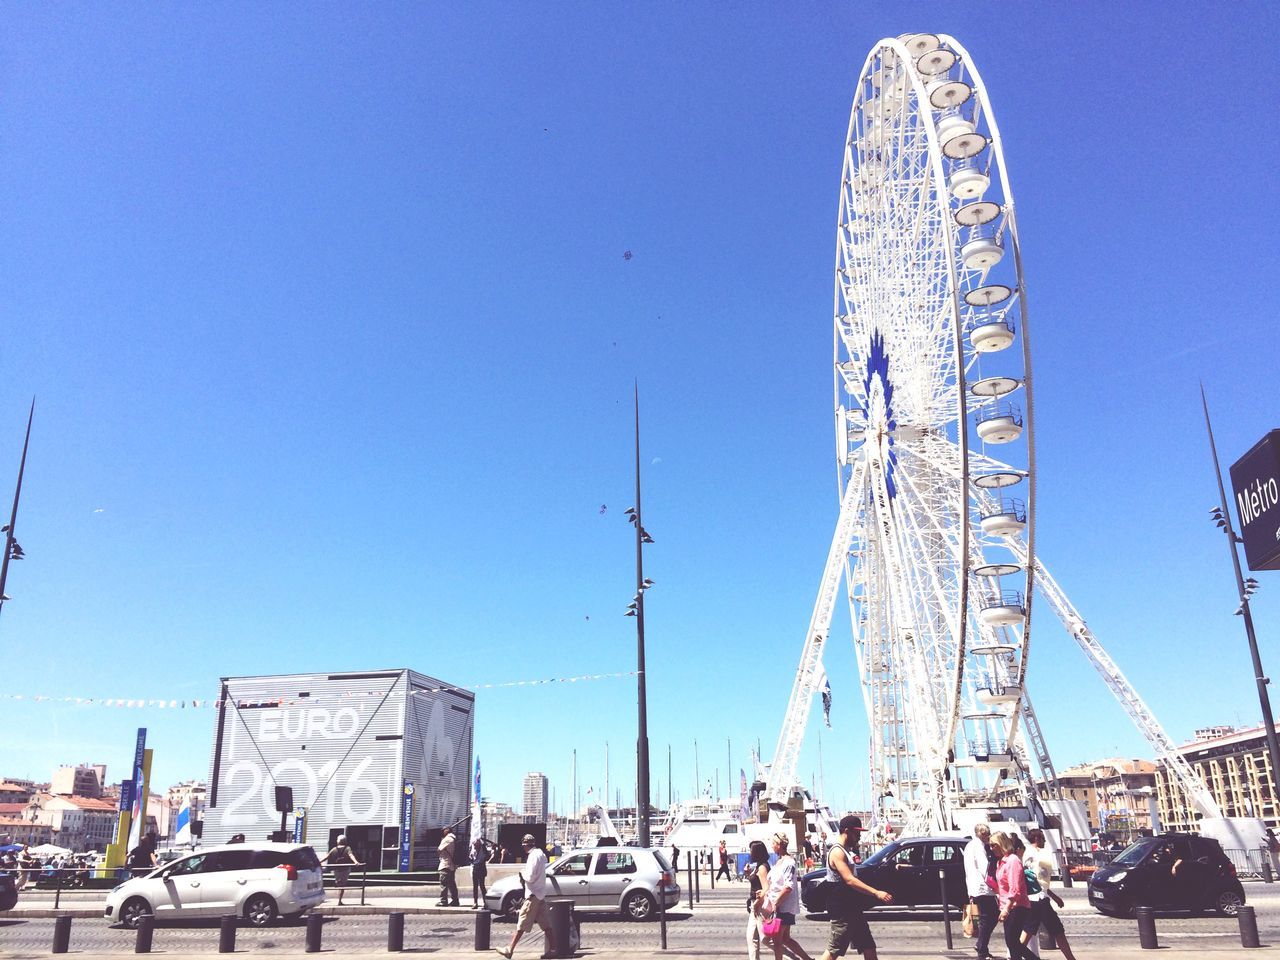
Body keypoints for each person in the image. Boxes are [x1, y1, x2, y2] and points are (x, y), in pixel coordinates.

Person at [819, 815, 892, 960]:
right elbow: (849, 880)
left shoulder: (846, 850)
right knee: (834, 950)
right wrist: (876, 892)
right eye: (856, 833)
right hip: (842, 910)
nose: (859, 836)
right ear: (847, 831)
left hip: (852, 907)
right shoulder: (837, 852)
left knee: (868, 945)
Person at [496, 834, 554, 959]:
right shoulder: (541, 855)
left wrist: (523, 874)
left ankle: (510, 949)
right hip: (540, 895)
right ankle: (554, 948)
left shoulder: (533, 857)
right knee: (546, 924)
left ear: (525, 845)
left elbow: (531, 877)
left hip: (533, 895)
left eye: (523, 846)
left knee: (522, 923)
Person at [1022, 828, 1076, 960]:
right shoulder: (1033, 854)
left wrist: (1054, 896)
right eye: (1042, 838)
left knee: (1030, 931)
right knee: (1056, 930)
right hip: (1037, 899)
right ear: (1036, 839)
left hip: (1039, 898)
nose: (1045, 841)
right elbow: (1035, 879)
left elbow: (1041, 881)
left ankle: (1013, 954)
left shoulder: (1032, 853)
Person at [758, 831, 813, 960]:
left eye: (773, 843)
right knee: (785, 939)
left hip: (783, 906)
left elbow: (788, 887)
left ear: (779, 845)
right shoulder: (780, 861)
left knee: (778, 941)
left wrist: (776, 902)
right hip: (779, 905)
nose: (771, 846)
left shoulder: (789, 862)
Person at [991, 832, 1035, 960]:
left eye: (994, 845)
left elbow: (1015, 889)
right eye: (991, 845)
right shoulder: (1000, 862)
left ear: (1002, 843)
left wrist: (1006, 908)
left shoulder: (1013, 861)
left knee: (1012, 941)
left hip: (1016, 906)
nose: (992, 848)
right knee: (1011, 942)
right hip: (1007, 905)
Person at [964, 822, 997, 960]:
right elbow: (984, 868)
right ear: (980, 834)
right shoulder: (978, 847)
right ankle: (982, 949)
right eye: (986, 834)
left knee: (987, 918)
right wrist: (996, 884)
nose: (988, 837)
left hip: (974, 887)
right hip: (983, 887)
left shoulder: (970, 845)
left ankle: (982, 945)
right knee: (990, 917)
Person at [744, 840, 771, 960]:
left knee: (765, 939)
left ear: (757, 852)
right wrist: (748, 873)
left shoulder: (762, 868)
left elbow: (766, 889)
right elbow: (756, 882)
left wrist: (756, 904)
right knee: (751, 938)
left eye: (751, 851)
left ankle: (793, 957)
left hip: (759, 906)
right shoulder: (758, 866)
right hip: (755, 906)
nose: (750, 853)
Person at [320, 835, 359, 906]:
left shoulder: (334, 849)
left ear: (338, 841)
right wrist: (355, 862)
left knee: (339, 883)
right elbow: (351, 855)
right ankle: (340, 900)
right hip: (345, 869)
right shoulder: (347, 848)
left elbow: (327, 856)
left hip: (336, 869)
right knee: (342, 885)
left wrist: (320, 862)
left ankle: (337, 884)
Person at [437, 826, 459, 907]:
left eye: (444, 830)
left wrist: (441, 841)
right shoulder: (455, 839)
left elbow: (439, 849)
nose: (443, 831)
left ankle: (443, 901)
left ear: (447, 830)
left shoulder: (447, 839)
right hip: (452, 864)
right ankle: (455, 900)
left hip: (445, 864)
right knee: (452, 884)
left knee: (443, 884)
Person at [471, 836, 493, 908]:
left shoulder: (483, 849)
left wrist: (481, 861)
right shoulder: (473, 850)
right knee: (475, 887)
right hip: (475, 868)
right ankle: (475, 902)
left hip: (481, 869)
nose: (475, 846)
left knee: (482, 886)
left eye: (476, 845)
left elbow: (487, 856)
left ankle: (485, 902)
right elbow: (471, 857)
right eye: (474, 845)